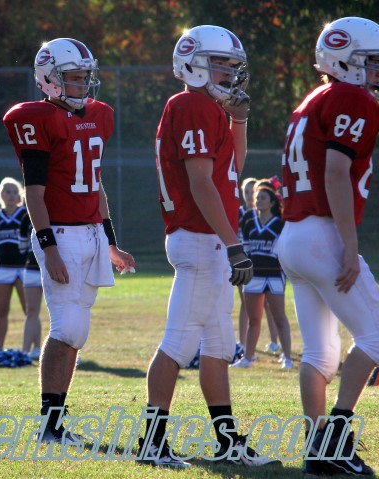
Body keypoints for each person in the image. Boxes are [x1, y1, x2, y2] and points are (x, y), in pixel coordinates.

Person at [142, 25, 279, 470]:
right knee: (179, 344)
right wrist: (235, 244)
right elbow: (202, 184)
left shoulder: (207, 108)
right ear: (194, 64)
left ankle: (227, 441)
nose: (229, 72)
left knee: (219, 346)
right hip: (202, 238)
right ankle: (152, 442)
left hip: (209, 240)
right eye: (220, 63)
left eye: (232, 65)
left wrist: (238, 120)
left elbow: (232, 169)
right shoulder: (191, 104)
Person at [275, 17, 379, 476]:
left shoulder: (312, 99)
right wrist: (349, 244)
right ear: (346, 62)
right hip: (320, 233)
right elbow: (334, 173)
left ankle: (316, 447)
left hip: (292, 236)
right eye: (372, 62)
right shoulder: (352, 99)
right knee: (378, 338)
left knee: (320, 353)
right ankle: (336, 442)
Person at [3, 37, 135, 444]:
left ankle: (57, 422)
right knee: (67, 328)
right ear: (50, 79)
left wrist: (110, 241)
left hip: (91, 233)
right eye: (74, 77)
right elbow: (34, 193)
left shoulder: (98, 115)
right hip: (60, 233)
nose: (82, 84)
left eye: (84, 76)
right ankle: (49, 425)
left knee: (78, 333)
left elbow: (96, 186)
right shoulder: (37, 118)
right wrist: (49, 248)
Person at [238, 181, 293, 369]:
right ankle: (248, 358)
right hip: (254, 275)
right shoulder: (248, 219)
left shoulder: (280, 223)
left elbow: (284, 251)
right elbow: (245, 248)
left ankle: (288, 358)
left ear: (271, 202)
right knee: (254, 320)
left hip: (274, 276)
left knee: (279, 318)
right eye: (257, 198)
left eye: (263, 198)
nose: (258, 201)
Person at [0, 177, 28, 351]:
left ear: (19, 195)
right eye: (7, 192)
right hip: (3, 268)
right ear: (1, 195)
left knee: (29, 310)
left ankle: (30, 348)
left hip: (23, 268)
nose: (11, 195)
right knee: (2, 310)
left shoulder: (26, 214)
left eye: (14, 192)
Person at [20, 209, 43, 361]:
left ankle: (68, 352)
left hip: (57, 268)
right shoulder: (26, 217)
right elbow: (22, 247)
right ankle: (26, 352)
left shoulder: (59, 211)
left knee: (62, 309)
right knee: (31, 310)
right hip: (33, 269)